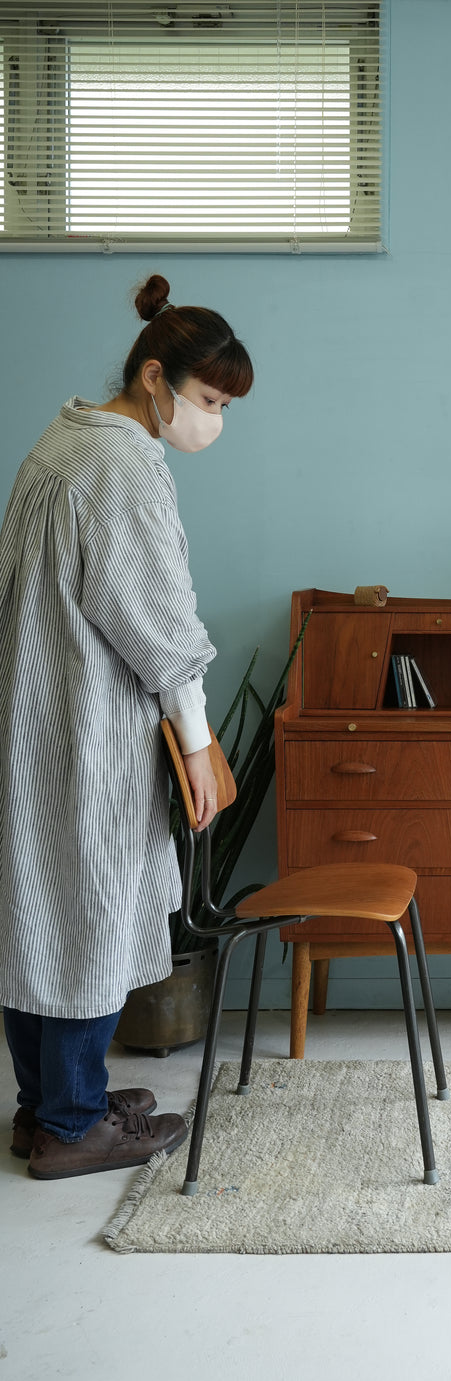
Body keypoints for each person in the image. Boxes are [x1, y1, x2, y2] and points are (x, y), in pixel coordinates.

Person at [0, 274, 253, 1180]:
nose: (213, 420)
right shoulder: (124, 464)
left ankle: (45, 1108)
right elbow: (156, 619)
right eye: (209, 400)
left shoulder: (64, 437)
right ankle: (73, 1128)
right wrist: (200, 742)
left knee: (37, 909)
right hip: (86, 724)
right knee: (91, 915)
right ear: (155, 377)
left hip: (31, 711)